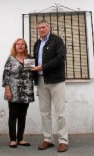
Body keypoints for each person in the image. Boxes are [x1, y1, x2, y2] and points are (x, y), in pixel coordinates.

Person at [32, 20, 69, 153]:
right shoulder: (37, 44)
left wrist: (43, 67)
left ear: (49, 28)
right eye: (39, 28)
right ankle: (48, 139)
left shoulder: (57, 40)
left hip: (56, 81)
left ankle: (63, 140)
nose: (41, 29)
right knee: (44, 112)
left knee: (60, 112)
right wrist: (29, 66)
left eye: (43, 27)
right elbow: (35, 61)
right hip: (41, 81)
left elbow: (61, 58)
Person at [2, 38, 34, 148]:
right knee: (13, 115)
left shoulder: (30, 58)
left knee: (22, 116)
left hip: (26, 91)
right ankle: (12, 139)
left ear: (25, 47)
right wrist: (7, 90)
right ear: (15, 46)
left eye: (22, 44)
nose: (20, 46)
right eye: (18, 44)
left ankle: (20, 138)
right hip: (13, 91)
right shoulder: (11, 59)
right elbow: (6, 75)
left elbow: (31, 74)